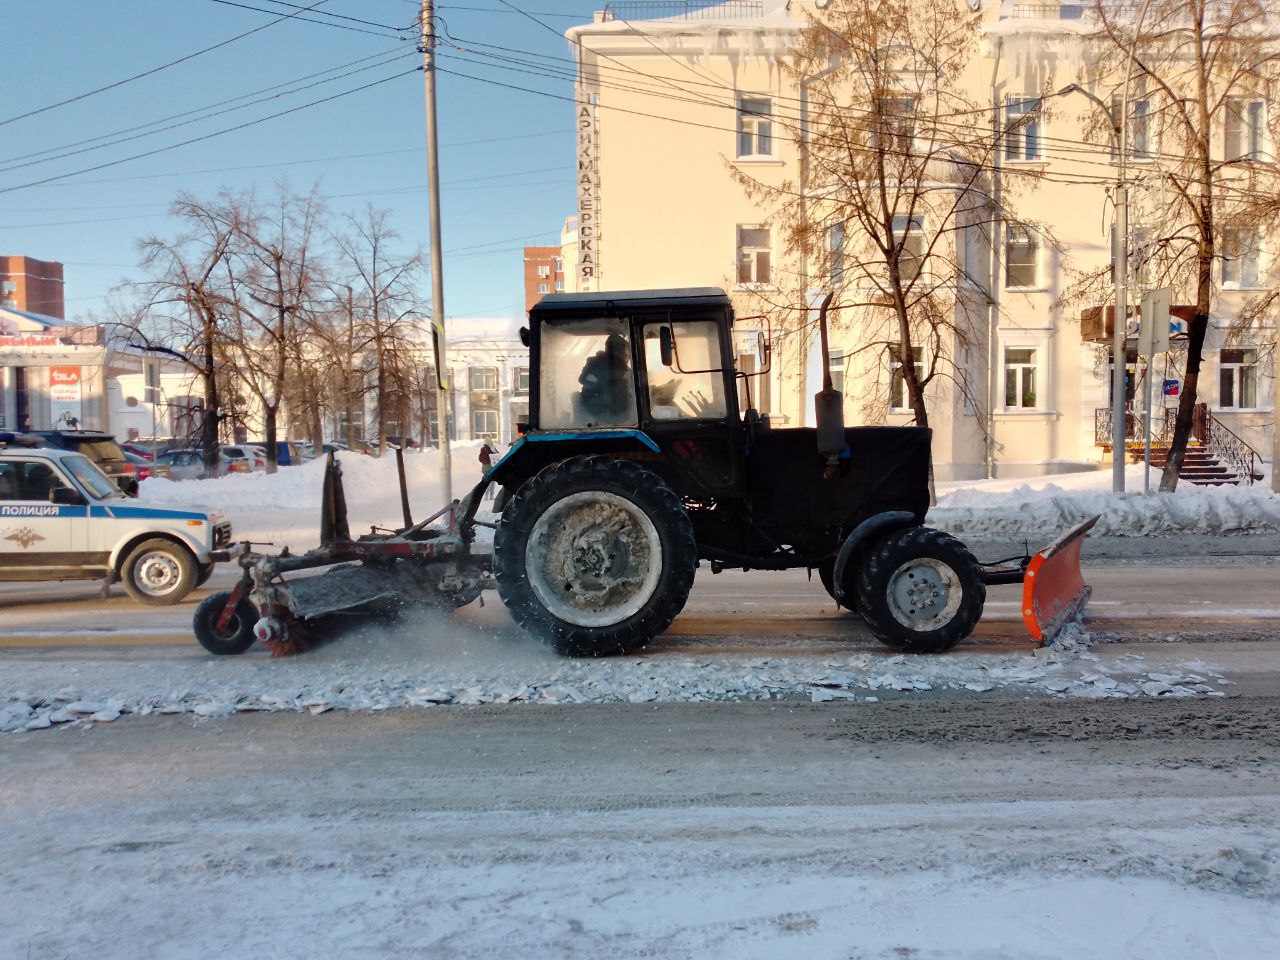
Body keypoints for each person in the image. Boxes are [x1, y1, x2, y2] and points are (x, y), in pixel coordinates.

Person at [578, 332, 632, 423]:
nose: (628, 356)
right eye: (626, 351)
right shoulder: (608, 367)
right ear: (618, 351)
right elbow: (619, 398)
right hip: (604, 415)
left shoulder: (618, 367)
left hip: (605, 412)